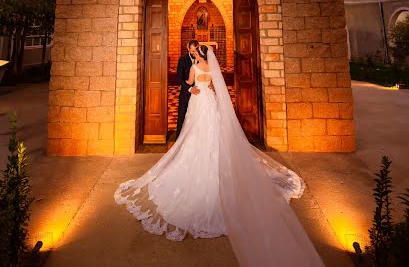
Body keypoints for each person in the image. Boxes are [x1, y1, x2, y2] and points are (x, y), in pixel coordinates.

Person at [115, 45, 324, 266]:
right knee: (213, 134)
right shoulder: (213, 69)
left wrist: (191, 90)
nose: (194, 54)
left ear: (199, 54)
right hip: (210, 103)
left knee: (194, 133)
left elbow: (188, 83)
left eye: (196, 51)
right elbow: (215, 88)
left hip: (198, 103)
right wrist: (207, 92)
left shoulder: (195, 66)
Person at [175, 39, 200, 139]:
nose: (194, 53)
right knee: (182, 115)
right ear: (188, 48)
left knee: (196, 117)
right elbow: (179, 78)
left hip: (199, 93)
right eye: (192, 51)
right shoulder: (183, 59)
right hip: (186, 92)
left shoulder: (202, 59)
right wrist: (189, 89)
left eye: (196, 50)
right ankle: (178, 140)